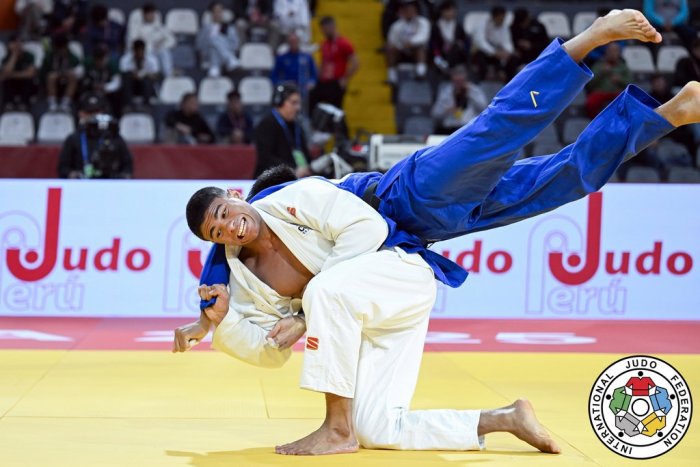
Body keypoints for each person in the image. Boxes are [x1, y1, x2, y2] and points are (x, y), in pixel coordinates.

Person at [174, 9, 700, 456]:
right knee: (561, 183)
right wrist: (216, 324)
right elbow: (268, 350)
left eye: (223, 211)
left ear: (235, 196)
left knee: (494, 133)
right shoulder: (242, 280)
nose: (228, 227)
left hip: (403, 198)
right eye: (217, 232)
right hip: (427, 235)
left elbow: (366, 230)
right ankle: (666, 116)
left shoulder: (290, 199)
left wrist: (305, 313)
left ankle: (590, 37)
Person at [57, 92, 133, 178]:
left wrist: (123, 176)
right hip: (82, 183)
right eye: (89, 112)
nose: (93, 116)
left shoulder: (114, 137)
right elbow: (63, 168)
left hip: (110, 182)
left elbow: (128, 166)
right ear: (81, 113)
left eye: (97, 112)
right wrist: (73, 174)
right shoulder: (73, 139)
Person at [253, 82, 311, 177]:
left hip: (295, 179)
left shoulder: (296, 126)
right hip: (270, 180)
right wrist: (292, 170)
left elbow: (306, 155)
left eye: (298, 103)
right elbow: (265, 158)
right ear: (279, 102)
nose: (298, 108)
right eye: (294, 103)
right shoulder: (266, 124)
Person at [310, 16, 358, 111]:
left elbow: (355, 63)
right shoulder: (325, 44)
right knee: (312, 101)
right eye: (322, 30)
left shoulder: (343, 43)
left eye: (325, 29)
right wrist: (317, 77)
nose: (323, 32)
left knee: (335, 110)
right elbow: (323, 62)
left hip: (336, 82)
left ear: (332, 26)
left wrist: (345, 78)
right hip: (323, 81)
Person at [431, 66, 488, 134]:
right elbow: (435, 114)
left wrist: (469, 93)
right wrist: (446, 110)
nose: (458, 82)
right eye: (456, 80)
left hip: (469, 128)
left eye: (460, 80)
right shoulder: (446, 92)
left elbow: (484, 109)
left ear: (465, 78)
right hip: (449, 128)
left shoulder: (474, 91)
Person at [386, 0, 431, 83]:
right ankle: (392, 77)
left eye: (411, 10)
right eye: (407, 10)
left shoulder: (423, 22)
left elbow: (423, 37)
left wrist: (411, 42)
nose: (409, 12)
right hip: (401, 49)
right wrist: (400, 46)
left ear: (416, 11)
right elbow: (392, 40)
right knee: (390, 48)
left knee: (421, 48)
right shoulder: (397, 25)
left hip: (416, 49)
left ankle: (421, 73)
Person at [126, 2, 175, 77]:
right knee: (151, 59)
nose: (152, 16)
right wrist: (150, 46)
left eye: (153, 14)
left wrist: (162, 45)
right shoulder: (138, 28)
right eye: (149, 14)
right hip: (145, 51)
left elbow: (172, 40)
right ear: (144, 15)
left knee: (165, 53)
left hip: (156, 50)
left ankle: (168, 76)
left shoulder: (159, 26)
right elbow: (134, 41)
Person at [585, 41, 632, 118]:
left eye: (615, 51)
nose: (612, 53)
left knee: (627, 102)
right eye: (610, 51)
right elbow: (590, 84)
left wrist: (620, 80)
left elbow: (631, 83)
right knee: (591, 102)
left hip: (617, 93)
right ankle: (594, 120)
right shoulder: (598, 65)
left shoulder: (623, 67)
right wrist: (601, 73)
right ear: (606, 52)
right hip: (600, 92)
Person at [472, 6, 518, 82]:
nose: (502, 20)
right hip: (484, 51)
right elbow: (481, 42)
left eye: (503, 18)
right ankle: (483, 80)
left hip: (498, 52)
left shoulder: (504, 25)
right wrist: (494, 52)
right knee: (480, 55)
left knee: (513, 57)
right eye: (500, 18)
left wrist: (507, 52)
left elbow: (507, 42)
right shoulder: (482, 24)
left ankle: (508, 81)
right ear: (493, 17)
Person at [196, 1, 241, 78]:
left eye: (219, 12)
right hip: (208, 55)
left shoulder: (229, 28)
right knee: (214, 39)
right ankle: (230, 60)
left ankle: (215, 67)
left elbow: (235, 44)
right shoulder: (205, 28)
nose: (218, 14)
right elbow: (199, 45)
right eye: (215, 12)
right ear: (211, 14)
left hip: (224, 53)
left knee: (216, 43)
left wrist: (223, 44)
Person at [270, 31, 317, 97]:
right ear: (288, 42)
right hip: (287, 91)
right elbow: (274, 75)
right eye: (291, 41)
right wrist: (280, 86)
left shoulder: (306, 57)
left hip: (302, 90)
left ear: (298, 41)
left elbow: (314, 74)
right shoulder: (282, 58)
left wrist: (311, 82)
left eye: (295, 41)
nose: (293, 43)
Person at [42, 33, 81, 112]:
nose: (61, 51)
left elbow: (78, 70)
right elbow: (44, 72)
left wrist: (67, 73)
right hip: (53, 78)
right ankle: (52, 103)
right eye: (59, 49)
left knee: (73, 76)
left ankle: (65, 103)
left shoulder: (72, 57)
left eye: (63, 48)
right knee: (51, 77)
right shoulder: (49, 56)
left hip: (67, 78)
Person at [430, 0, 471, 73]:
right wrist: (438, 55)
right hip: (440, 54)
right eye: (448, 11)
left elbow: (465, 41)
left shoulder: (458, 26)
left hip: (456, 53)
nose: (450, 13)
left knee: (456, 47)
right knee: (437, 58)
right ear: (442, 12)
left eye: (452, 11)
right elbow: (434, 44)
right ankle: (445, 67)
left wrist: (461, 44)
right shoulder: (436, 26)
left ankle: (450, 67)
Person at [0, 34, 37, 110]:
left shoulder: (29, 56)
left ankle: (24, 104)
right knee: (6, 81)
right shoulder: (6, 58)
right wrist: (14, 56)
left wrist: (12, 75)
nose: (17, 46)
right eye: (14, 43)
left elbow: (30, 74)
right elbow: (4, 74)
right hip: (12, 85)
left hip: (25, 84)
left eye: (19, 43)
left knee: (28, 80)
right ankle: (8, 104)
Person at [119, 39, 160, 107]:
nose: (139, 53)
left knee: (147, 80)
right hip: (132, 86)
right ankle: (128, 105)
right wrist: (133, 75)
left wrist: (144, 75)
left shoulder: (152, 60)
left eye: (141, 51)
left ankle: (146, 106)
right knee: (127, 78)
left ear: (144, 50)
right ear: (133, 50)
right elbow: (123, 73)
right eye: (137, 51)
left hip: (146, 86)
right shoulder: (125, 59)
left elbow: (155, 75)